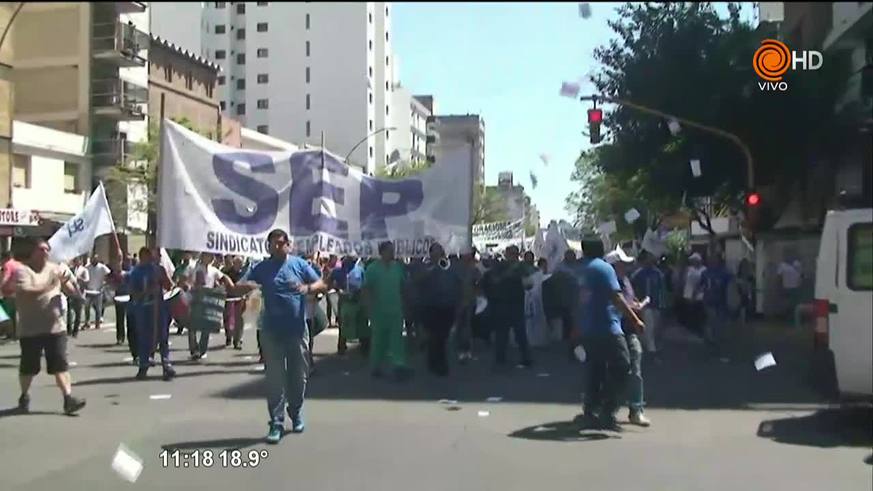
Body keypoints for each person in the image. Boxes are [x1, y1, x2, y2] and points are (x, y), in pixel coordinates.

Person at [230, 229, 326, 443]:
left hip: (297, 329)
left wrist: (307, 287)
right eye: (273, 243)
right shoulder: (260, 267)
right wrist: (244, 286)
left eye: (281, 243)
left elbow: (321, 284)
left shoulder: (299, 264)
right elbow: (238, 288)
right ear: (268, 246)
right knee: (275, 379)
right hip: (271, 331)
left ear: (288, 244)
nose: (277, 247)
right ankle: (276, 421)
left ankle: (296, 410)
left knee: (298, 376)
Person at [575, 238, 644, 432]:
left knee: (595, 369)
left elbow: (578, 301)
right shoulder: (603, 268)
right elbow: (616, 297)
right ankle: (607, 409)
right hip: (607, 327)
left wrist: (576, 327)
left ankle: (591, 409)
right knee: (623, 366)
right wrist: (635, 320)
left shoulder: (580, 270)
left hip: (588, 328)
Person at [14, 239, 86, 415]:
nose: (45, 252)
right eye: (41, 249)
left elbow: (69, 288)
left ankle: (68, 399)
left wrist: (73, 289)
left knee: (60, 364)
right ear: (33, 252)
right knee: (29, 367)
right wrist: (50, 284)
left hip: (55, 328)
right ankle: (24, 395)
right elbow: (28, 291)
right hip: (30, 329)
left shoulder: (55, 268)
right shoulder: (23, 271)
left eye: (47, 249)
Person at [605, 246, 652, 427]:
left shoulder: (625, 280)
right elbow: (617, 305)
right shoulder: (611, 283)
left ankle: (635, 409)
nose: (625, 266)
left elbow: (628, 302)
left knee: (634, 368)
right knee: (619, 370)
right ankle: (610, 407)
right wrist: (634, 310)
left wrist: (637, 305)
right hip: (615, 330)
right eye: (621, 264)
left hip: (628, 330)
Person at [129, 247, 176, 381]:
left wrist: (164, 278)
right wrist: (147, 291)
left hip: (159, 308)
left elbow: (169, 286)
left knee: (163, 337)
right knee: (144, 338)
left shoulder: (158, 269)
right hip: (143, 309)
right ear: (142, 256)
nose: (150, 258)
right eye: (147, 255)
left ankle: (166, 365)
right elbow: (133, 293)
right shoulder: (136, 272)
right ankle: (143, 365)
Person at [363, 241, 409, 379]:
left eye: (393, 250)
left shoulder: (397, 268)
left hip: (395, 310)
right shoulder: (372, 268)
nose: (392, 253)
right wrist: (368, 309)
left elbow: (403, 287)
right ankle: (376, 366)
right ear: (382, 252)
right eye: (389, 250)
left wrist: (406, 304)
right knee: (378, 340)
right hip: (379, 311)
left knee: (397, 339)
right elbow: (366, 290)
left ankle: (398, 365)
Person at [482, 245, 532, 368]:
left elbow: (528, 284)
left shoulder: (506, 267)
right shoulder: (517, 267)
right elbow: (529, 284)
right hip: (508, 304)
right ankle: (517, 358)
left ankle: (503, 358)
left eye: (513, 254)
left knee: (508, 333)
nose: (512, 256)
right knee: (511, 333)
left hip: (508, 304)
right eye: (512, 253)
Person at [417, 243, 462, 376]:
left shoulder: (450, 266)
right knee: (436, 337)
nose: (439, 255)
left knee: (442, 336)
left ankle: (434, 362)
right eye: (436, 252)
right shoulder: (426, 266)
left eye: (440, 252)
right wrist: (432, 268)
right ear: (431, 254)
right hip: (431, 307)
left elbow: (458, 282)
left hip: (448, 306)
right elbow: (417, 280)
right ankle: (439, 364)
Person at [189, 252, 234, 361]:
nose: (211, 258)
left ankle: (202, 349)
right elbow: (199, 283)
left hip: (208, 300)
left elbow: (223, 277)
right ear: (203, 257)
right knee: (193, 326)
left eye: (212, 256)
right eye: (208, 256)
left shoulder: (213, 270)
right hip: (197, 298)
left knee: (207, 326)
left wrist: (230, 285)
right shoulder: (197, 268)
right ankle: (194, 349)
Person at [631, 251, 667, 360]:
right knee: (649, 326)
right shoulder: (638, 274)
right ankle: (652, 351)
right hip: (645, 305)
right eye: (648, 258)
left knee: (655, 327)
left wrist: (664, 303)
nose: (650, 260)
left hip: (656, 304)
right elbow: (632, 288)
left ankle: (648, 345)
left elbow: (662, 290)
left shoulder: (658, 274)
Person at [329, 255, 365, 355]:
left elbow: (365, 285)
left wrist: (361, 295)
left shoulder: (360, 270)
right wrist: (337, 289)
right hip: (344, 300)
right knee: (343, 322)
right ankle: (341, 346)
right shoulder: (337, 271)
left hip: (358, 300)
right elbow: (329, 283)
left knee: (361, 322)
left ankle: (364, 345)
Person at [701, 254, 733, 361]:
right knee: (713, 326)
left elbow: (730, 288)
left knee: (719, 328)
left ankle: (718, 350)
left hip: (720, 304)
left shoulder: (724, 273)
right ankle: (713, 350)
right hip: (710, 302)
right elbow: (702, 287)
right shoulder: (705, 273)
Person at [454, 250, 481, 363]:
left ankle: (467, 350)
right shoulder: (455, 267)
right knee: (460, 326)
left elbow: (478, 281)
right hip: (458, 301)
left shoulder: (473, 268)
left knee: (468, 326)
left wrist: (476, 289)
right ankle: (460, 349)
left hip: (470, 301)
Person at [222, 256, 247, 350]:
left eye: (240, 263)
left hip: (241, 299)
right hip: (229, 298)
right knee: (227, 318)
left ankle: (237, 340)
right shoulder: (227, 272)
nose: (239, 265)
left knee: (239, 320)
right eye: (237, 263)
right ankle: (228, 336)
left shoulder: (245, 273)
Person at [525, 257, 550, 347]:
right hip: (528, 299)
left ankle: (536, 339)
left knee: (536, 319)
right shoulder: (522, 271)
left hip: (536, 299)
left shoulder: (537, 273)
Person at [83, 255, 111, 331]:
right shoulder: (87, 267)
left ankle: (97, 323)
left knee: (98, 308)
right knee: (87, 307)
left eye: (95, 259)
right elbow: (84, 276)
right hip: (89, 290)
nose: (94, 260)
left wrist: (104, 284)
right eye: (93, 259)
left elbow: (108, 275)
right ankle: (87, 322)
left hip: (98, 290)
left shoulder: (102, 267)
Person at [682, 253, 707, 337]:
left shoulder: (704, 270)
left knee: (698, 313)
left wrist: (695, 292)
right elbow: (684, 280)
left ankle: (699, 330)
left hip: (699, 295)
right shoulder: (689, 269)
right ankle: (690, 329)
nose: (692, 262)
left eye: (694, 261)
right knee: (689, 312)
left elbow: (702, 283)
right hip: (687, 294)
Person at [776, 253, 803, 327]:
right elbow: (779, 277)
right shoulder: (782, 265)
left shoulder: (797, 264)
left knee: (794, 305)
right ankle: (789, 320)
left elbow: (800, 275)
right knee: (788, 304)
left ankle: (793, 320)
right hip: (787, 288)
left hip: (794, 287)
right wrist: (779, 287)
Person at [172, 252, 195, 335]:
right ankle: (180, 325)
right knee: (178, 310)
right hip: (179, 292)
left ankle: (186, 325)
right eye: (184, 254)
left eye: (188, 254)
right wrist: (176, 284)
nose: (186, 256)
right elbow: (174, 279)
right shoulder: (179, 268)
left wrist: (189, 284)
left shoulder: (193, 267)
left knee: (188, 311)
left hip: (190, 291)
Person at [1, 251, 22, 340]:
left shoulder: (7, 265)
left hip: (10, 292)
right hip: (20, 291)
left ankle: (12, 334)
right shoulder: (19, 264)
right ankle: (18, 333)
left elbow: (5, 277)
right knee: (17, 313)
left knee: (9, 314)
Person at [65, 257, 86, 338]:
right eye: (75, 261)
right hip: (70, 294)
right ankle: (69, 330)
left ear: (80, 261)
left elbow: (87, 281)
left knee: (78, 314)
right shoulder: (70, 270)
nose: (76, 262)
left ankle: (75, 331)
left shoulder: (84, 270)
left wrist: (80, 280)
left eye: (77, 261)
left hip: (79, 294)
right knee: (69, 313)